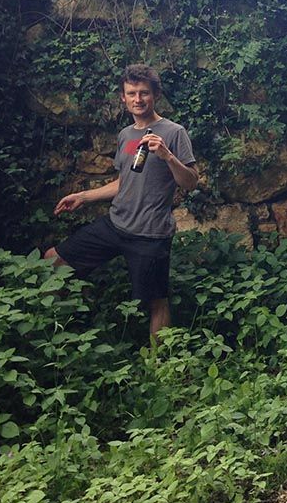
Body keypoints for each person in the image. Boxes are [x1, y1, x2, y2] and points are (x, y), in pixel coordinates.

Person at [44, 64, 198, 340]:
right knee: (53, 260)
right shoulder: (126, 135)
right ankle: (58, 332)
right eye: (132, 93)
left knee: (156, 301)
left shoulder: (174, 132)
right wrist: (84, 196)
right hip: (115, 225)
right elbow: (124, 181)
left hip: (150, 234)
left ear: (155, 95)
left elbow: (190, 182)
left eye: (144, 93)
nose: (138, 99)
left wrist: (167, 156)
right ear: (123, 98)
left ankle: (161, 369)